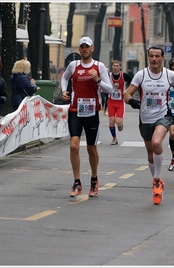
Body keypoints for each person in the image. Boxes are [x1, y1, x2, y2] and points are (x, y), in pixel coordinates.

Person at [123, 45, 174, 205]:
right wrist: (131, 101)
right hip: (145, 118)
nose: (154, 59)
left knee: (157, 142)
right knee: (150, 154)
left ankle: (157, 180)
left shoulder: (169, 75)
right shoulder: (141, 75)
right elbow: (126, 94)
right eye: (152, 56)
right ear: (148, 57)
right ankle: (156, 180)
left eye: (157, 56)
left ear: (162, 57)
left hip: (163, 116)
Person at [61, 36, 113, 198]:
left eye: (87, 46)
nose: (84, 49)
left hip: (92, 112)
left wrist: (97, 80)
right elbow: (64, 77)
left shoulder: (99, 66)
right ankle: (77, 182)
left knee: (91, 148)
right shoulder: (74, 65)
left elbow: (110, 90)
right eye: (82, 46)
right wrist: (64, 90)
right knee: (74, 146)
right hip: (75, 110)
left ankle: (94, 179)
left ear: (92, 49)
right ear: (79, 49)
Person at [107, 59, 132, 145]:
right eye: (114, 66)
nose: (115, 67)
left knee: (118, 121)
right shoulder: (109, 75)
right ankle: (114, 138)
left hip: (120, 102)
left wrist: (127, 90)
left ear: (120, 67)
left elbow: (133, 83)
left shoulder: (123, 75)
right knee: (111, 121)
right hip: (111, 101)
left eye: (117, 66)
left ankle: (120, 125)